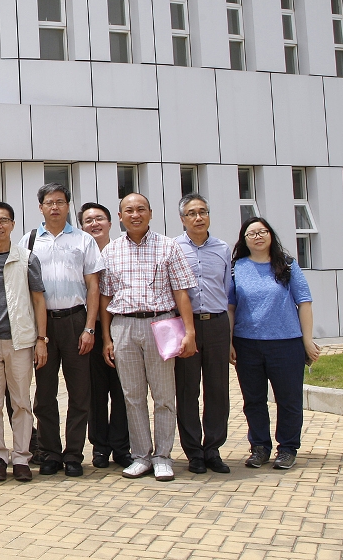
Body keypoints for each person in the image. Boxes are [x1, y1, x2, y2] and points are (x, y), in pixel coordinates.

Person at [98, 193, 197, 482]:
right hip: (124, 327)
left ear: (151, 213)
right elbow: (106, 297)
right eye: (128, 210)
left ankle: (163, 456)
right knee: (132, 396)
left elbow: (181, 292)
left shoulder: (169, 247)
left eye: (141, 209)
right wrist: (107, 338)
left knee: (164, 396)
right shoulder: (111, 251)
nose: (135, 214)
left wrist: (189, 332)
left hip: (162, 324)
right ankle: (141, 455)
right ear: (120, 217)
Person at [229, 216, 319, 470]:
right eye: (251, 233)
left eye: (262, 231)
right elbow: (231, 308)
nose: (257, 236)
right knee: (253, 400)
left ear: (271, 235)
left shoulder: (288, 265)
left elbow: (305, 303)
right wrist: (229, 341)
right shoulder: (236, 267)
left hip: (286, 344)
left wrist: (307, 340)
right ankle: (259, 447)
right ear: (244, 240)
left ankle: (288, 448)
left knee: (288, 399)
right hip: (247, 344)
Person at [26, 183, 102, 478]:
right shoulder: (30, 241)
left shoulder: (84, 240)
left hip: (75, 322)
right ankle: (50, 453)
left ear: (68, 206)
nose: (54, 207)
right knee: (44, 394)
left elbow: (94, 286)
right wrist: (36, 335)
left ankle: (73, 454)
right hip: (42, 325)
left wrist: (90, 328)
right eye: (49, 202)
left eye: (60, 201)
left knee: (79, 393)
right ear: (41, 207)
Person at [0, 202, 46, 483]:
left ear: (13, 224)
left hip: (21, 341)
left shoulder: (27, 258)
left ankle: (22, 457)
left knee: (21, 402)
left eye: (4, 220)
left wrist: (41, 339)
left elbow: (39, 299)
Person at [172, 194, 233, 474]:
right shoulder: (173, 248)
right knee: (187, 389)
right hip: (186, 325)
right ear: (183, 219)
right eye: (192, 213)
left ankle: (213, 449)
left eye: (203, 212)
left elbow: (226, 290)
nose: (198, 217)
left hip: (218, 324)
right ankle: (194, 452)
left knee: (218, 389)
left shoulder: (222, 248)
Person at [78, 202, 131, 469]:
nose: (94, 224)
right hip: (91, 330)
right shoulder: (80, 252)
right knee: (95, 392)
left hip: (122, 329)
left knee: (123, 390)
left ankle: (122, 446)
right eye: (88, 221)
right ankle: (100, 447)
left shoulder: (122, 251)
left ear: (111, 223)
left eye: (99, 219)